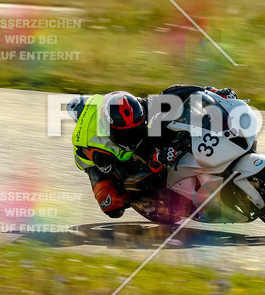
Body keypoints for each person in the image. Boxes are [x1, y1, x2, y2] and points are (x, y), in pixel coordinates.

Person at [66, 85, 237, 218]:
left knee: (162, 124)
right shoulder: (99, 151)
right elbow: (126, 177)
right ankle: (140, 198)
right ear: (109, 129)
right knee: (112, 206)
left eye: (136, 127)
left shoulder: (140, 107)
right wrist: (156, 160)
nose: (133, 135)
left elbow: (173, 94)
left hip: (112, 113)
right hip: (98, 163)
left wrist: (212, 91)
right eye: (126, 133)